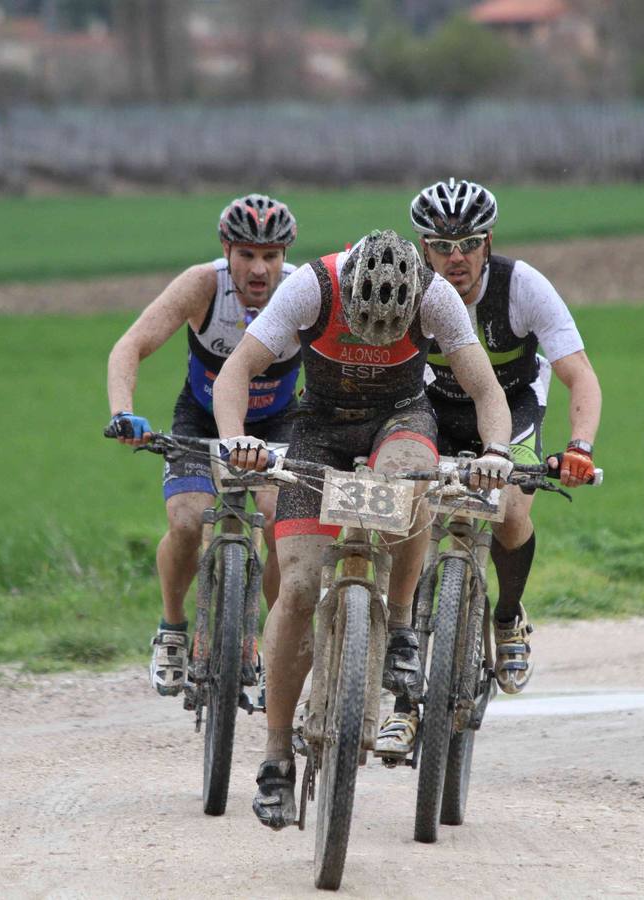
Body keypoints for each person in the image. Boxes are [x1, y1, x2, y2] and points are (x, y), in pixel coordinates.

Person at [212, 229, 513, 831]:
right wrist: (234, 439)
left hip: (399, 419)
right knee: (296, 588)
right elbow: (235, 374)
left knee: (409, 478)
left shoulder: (435, 295)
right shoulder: (309, 287)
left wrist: (497, 450)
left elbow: (486, 389)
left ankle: (400, 625)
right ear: (347, 294)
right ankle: (275, 759)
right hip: (319, 428)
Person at [386, 177, 602, 744]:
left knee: (508, 512)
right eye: (440, 245)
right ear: (421, 247)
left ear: (488, 243)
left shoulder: (522, 285)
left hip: (513, 408)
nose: (455, 258)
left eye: (468, 243)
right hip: (431, 406)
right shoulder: (405, 287)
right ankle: (403, 684)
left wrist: (579, 448)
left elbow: (578, 374)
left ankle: (506, 618)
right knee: (405, 515)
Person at [106, 193, 300, 697]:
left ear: (285, 257)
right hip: (202, 418)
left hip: (277, 423)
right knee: (188, 521)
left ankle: (270, 637)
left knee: (281, 521)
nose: (259, 269)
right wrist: (122, 412)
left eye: (271, 256)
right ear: (226, 250)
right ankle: (172, 629)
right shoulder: (201, 286)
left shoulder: (303, 291)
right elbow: (131, 345)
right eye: (247, 255)